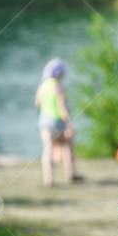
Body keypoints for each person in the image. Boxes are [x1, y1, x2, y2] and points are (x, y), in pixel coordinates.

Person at [35, 58, 78, 187]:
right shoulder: (58, 87)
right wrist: (70, 123)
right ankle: (71, 174)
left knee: (47, 149)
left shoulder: (42, 86)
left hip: (43, 121)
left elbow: (37, 103)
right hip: (57, 121)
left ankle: (48, 179)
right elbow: (62, 107)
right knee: (67, 144)